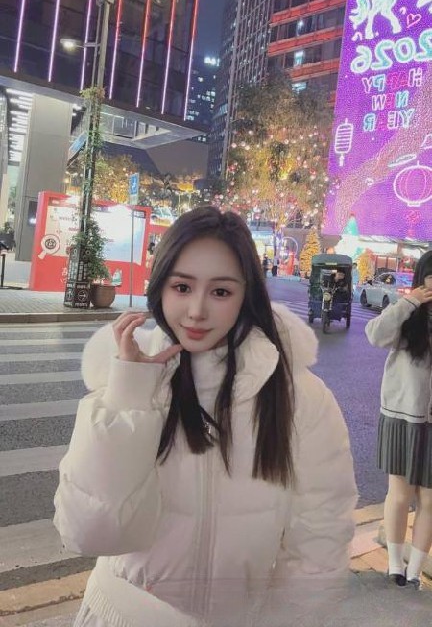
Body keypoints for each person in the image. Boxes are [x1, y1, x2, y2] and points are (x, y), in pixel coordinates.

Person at [54, 206, 357, 627]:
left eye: (220, 292)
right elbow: (89, 532)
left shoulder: (298, 395)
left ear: (246, 295)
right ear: (160, 286)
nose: (196, 311)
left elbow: (321, 536)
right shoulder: (129, 379)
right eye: (182, 287)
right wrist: (130, 393)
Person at [365, 250, 432, 591]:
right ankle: (394, 565)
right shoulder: (408, 316)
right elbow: (375, 335)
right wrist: (410, 302)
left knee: (430, 500)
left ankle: (415, 570)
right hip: (402, 416)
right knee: (400, 493)